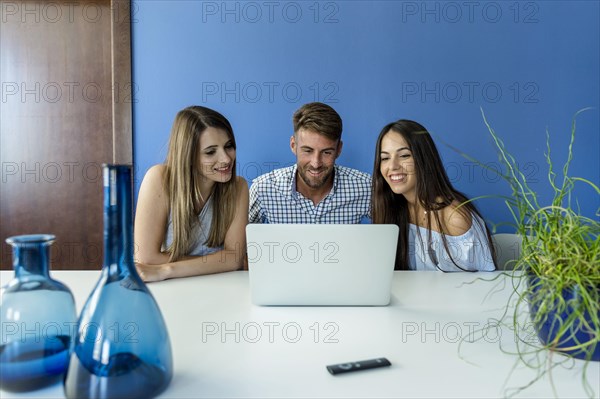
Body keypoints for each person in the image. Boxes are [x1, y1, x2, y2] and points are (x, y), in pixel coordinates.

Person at [134, 106, 249, 282]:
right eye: (211, 152)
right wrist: (216, 262)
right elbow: (147, 258)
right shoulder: (159, 178)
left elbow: (233, 259)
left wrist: (165, 269)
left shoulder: (238, 187)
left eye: (229, 146)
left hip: (216, 286)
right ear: (188, 155)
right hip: (166, 287)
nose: (226, 159)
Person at [371, 119, 496, 271]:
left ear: (424, 159)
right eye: (385, 158)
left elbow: (480, 285)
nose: (392, 166)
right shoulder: (392, 209)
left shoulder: (454, 217)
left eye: (404, 155)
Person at [249, 102, 371, 224]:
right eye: (307, 151)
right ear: (293, 145)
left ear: (339, 149)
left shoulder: (365, 187)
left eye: (326, 152)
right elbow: (240, 242)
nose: (316, 164)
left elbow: (388, 234)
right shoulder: (263, 189)